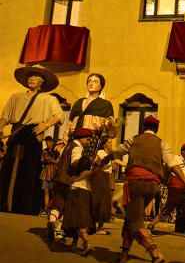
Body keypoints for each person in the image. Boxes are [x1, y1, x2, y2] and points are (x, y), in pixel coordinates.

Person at [108, 115, 185, 263]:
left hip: (135, 183)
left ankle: (155, 254)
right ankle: (124, 256)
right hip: (152, 186)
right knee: (130, 219)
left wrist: (102, 159)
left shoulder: (134, 139)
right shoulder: (162, 143)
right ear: (157, 129)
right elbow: (172, 164)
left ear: (143, 126)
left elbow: (117, 152)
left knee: (135, 221)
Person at [0, 65, 64, 215]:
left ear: (43, 81)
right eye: (30, 76)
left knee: (29, 169)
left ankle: (25, 206)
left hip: (33, 134)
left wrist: (46, 124)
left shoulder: (49, 99)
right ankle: (5, 203)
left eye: (36, 76)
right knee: (9, 167)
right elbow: (5, 116)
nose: (32, 78)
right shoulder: (16, 97)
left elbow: (60, 116)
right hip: (16, 133)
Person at [61, 128, 101, 256]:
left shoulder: (76, 153)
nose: (89, 142)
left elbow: (78, 166)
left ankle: (87, 243)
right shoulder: (90, 167)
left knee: (78, 219)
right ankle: (74, 243)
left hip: (77, 191)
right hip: (86, 191)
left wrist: (77, 177)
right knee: (78, 218)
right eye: (87, 139)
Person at [149, 142, 185, 236]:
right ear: (182, 151)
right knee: (168, 208)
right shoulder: (175, 158)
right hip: (175, 187)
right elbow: (169, 167)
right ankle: (151, 225)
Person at [67, 73, 115, 158]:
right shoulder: (78, 102)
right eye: (89, 81)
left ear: (101, 86)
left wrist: (106, 126)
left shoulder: (105, 105)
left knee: (86, 163)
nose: (91, 83)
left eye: (95, 81)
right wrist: (66, 134)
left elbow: (109, 129)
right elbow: (71, 122)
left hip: (92, 139)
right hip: (74, 138)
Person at [92, 139, 114, 234]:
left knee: (105, 201)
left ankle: (100, 226)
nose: (111, 144)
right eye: (109, 142)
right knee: (99, 200)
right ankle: (94, 225)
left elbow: (115, 163)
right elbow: (99, 163)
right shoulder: (100, 152)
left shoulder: (108, 153)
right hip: (100, 177)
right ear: (104, 145)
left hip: (106, 177)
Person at [39, 136, 60, 215]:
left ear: (52, 142)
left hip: (53, 173)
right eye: (46, 142)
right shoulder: (44, 151)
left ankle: (52, 209)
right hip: (45, 173)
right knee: (45, 191)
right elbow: (42, 160)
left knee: (53, 192)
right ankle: (45, 208)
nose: (47, 143)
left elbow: (58, 162)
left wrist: (51, 160)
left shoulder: (56, 152)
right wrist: (47, 160)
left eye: (48, 142)